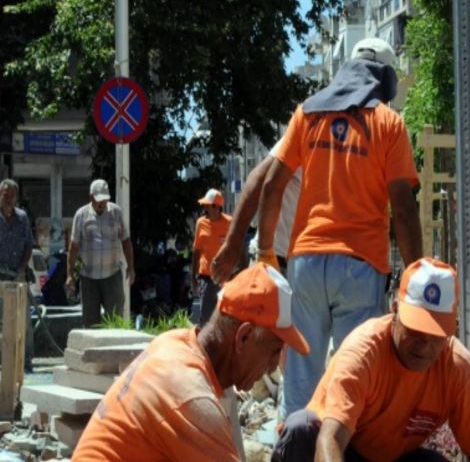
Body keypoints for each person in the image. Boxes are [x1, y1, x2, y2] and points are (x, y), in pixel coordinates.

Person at [250, 37, 423, 418]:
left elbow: (272, 184)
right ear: (384, 81)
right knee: (354, 378)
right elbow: (404, 209)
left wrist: (265, 252)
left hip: (306, 264)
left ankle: (294, 450)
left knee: (301, 379)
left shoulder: (308, 113)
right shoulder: (389, 124)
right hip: (360, 268)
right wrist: (415, 273)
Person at [72, 263, 311, 461]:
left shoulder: (173, 343)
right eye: (274, 351)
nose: (273, 366)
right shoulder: (191, 397)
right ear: (244, 336)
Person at [272, 258, 470, 462]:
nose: (424, 344)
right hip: (340, 451)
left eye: (435, 334)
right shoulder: (363, 353)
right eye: (415, 329)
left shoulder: (458, 370)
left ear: (453, 330)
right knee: (300, 428)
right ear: (394, 312)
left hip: (392, 458)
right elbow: (330, 439)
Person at [211, 138, 302, 282]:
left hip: (312, 264)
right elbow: (261, 180)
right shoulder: (310, 126)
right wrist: (233, 244)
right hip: (274, 261)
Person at [66, 179, 134, 327]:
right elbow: (73, 247)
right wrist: (70, 274)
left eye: (104, 200)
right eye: (99, 200)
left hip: (112, 275)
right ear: (91, 197)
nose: (102, 203)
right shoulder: (81, 215)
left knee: (115, 322)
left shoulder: (116, 212)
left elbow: (126, 241)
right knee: (91, 324)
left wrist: (131, 266)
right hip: (89, 278)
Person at [0, 179, 35, 371]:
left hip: (16, 274)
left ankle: (26, 361)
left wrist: (22, 268)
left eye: (12, 195)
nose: (8, 198)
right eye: (5, 194)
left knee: (23, 321)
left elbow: (28, 244)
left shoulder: (22, 217)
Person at [191, 188, 231, 325]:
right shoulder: (201, 223)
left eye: (207, 205)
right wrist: (193, 278)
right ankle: (202, 344)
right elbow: (196, 252)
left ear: (216, 207)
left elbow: (236, 249)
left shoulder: (229, 223)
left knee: (224, 317)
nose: (204, 208)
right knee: (205, 317)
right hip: (206, 277)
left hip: (225, 278)